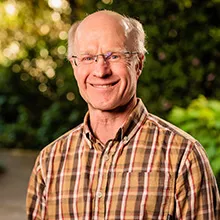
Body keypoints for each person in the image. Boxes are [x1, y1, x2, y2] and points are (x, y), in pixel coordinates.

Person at [26, 10, 220, 219]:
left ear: (139, 63)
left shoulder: (183, 156)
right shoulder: (50, 161)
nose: (101, 71)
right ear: (74, 66)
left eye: (114, 56)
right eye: (88, 57)